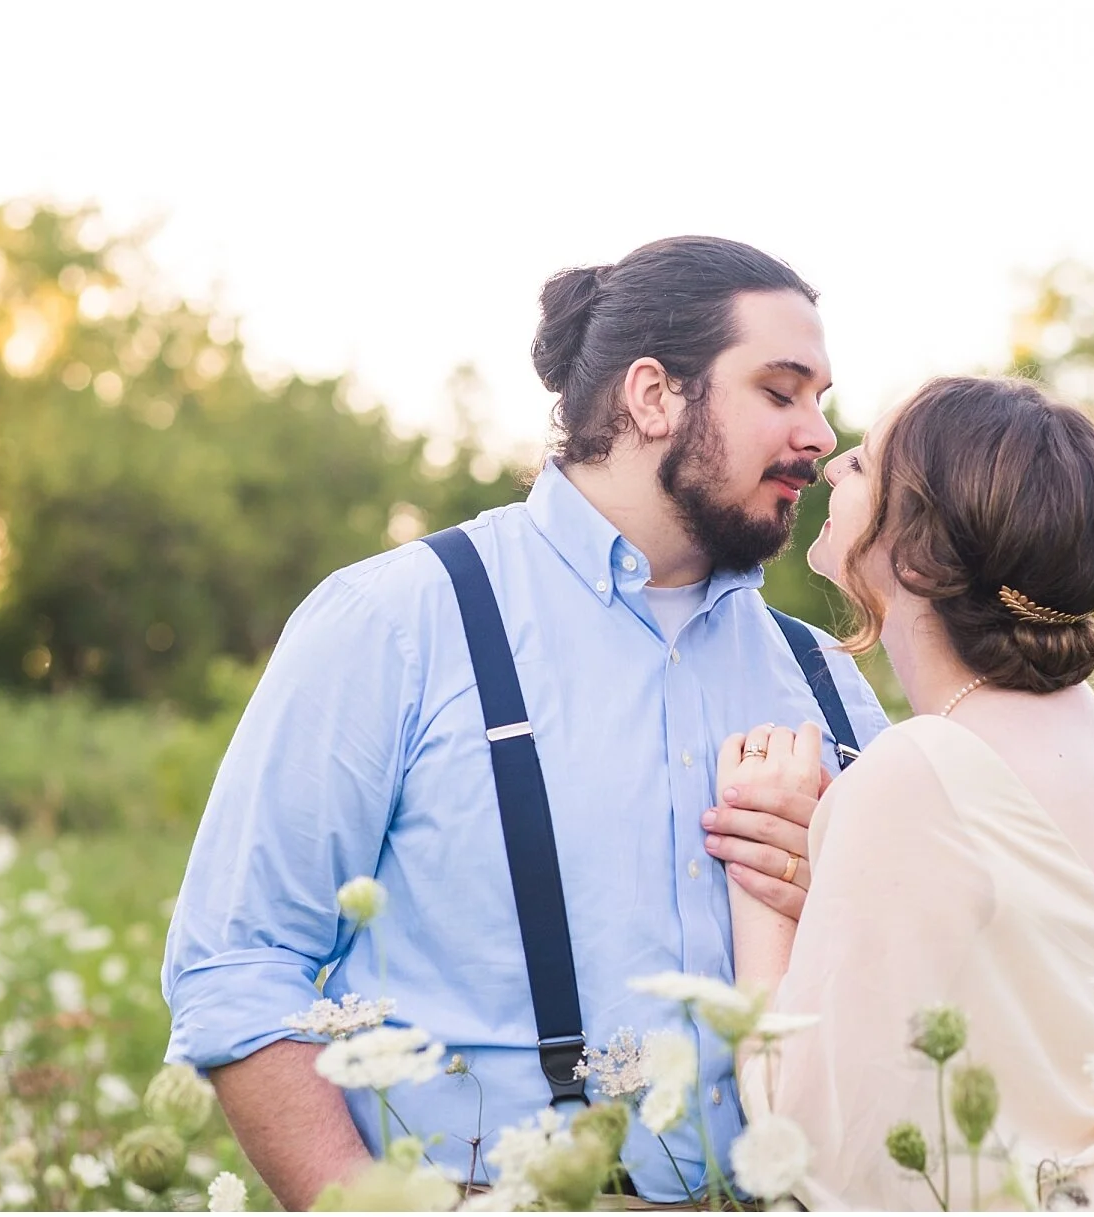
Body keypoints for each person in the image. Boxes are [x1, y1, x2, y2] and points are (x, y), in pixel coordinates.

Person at [161, 236, 889, 1208]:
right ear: (652, 395)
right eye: (781, 391)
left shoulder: (825, 678)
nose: (818, 436)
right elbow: (238, 965)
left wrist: (839, 888)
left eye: (822, 398)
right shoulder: (396, 621)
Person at [707, 376, 1094, 1210]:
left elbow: (809, 1140)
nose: (834, 465)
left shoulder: (921, 770)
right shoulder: (1089, 729)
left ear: (919, 549)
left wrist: (757, 872)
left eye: (866, 462)